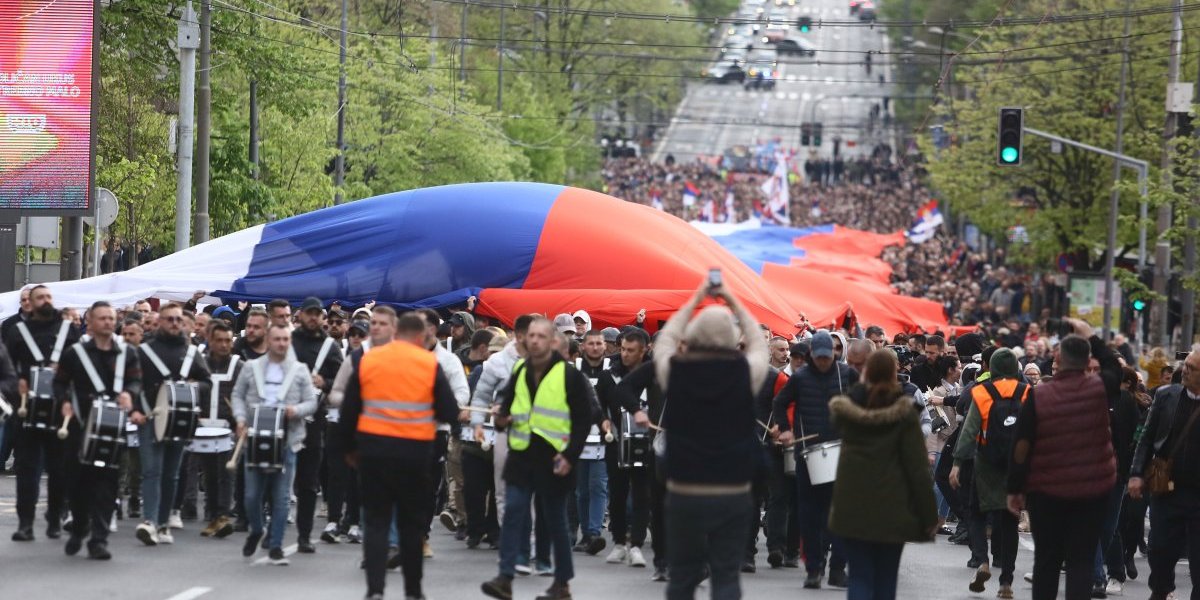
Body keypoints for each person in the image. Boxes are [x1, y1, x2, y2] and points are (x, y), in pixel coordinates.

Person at [653, 279, 767, 600]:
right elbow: (759, 343)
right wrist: (732, 299)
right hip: (733, 491)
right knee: (726, 577)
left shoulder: (676, 371)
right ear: (733, 339)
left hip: (684, 491)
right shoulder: (745, 373)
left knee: (682, 577)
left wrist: (695, 299)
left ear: (693, 336)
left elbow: (665, 340)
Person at [339, 312, 459, 600]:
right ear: (420, 337)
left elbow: (349, 410)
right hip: (414, 455)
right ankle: (413, 590)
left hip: (373, 453)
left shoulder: (370, 360)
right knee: (411, 525)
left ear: (396, 333)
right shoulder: (428, 363)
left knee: (376, 522)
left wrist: (348, 449)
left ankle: (375, 589)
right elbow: (449, 411)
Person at [481, 317, 594, 600]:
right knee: (513, 511)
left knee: (555, 520)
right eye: (530, 336)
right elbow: (506, 405)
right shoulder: (520, 369)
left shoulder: (569, 375)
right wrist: (500, 418)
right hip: (521, 454)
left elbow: (584, 419)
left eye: (540, 336)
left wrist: (570, 456)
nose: (533, 341)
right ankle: (505, 577)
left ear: (553, 341)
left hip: (554, 456)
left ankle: (562, 583)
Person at [1006, 332, 1117, 600]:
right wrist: (1093, 337)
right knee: (1082, 559)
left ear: (1058, 358)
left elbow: (1022, 445)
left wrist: (1015, 488)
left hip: (1047, 491)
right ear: (1087, 361)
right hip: (1093, 490)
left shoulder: (1039, 395)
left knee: (1047, 560)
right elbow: (1114, 368)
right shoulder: (1099, 390)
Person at [829, 349, 938, 600]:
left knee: (859, 576)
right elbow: (917, 468)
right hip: (893, 505)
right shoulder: (906, 413)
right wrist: (928, 514)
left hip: (852, 503)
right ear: (893, 373)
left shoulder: (847, 410)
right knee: (886, 579)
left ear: (866, 372)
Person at [54, 301, 142, 560]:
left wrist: (129, 393)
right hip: (80, 426)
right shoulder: (74, 353)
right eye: (102, 318)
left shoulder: (127, 353)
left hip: (112, 428)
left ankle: (99, 540)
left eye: (111, 318)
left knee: (107, 485)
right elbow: (59, 383)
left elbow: (136, 380)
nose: (107, 322)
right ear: (90, 323)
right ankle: (80, 527)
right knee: (77, 483)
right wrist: (65, 401)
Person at [774, 329, 859, 589]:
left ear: (834, 354)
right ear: (812, 354)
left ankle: (837, 570)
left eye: (827, 357)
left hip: (841, 453)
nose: (823, 362)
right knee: (810, 515)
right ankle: (813, 569)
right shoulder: (800, 378)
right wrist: (785, 430)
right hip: (807, 454)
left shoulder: (847, 374)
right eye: (819, 357)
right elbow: (779, 403)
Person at [232, 323, 317, 565]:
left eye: (285, 339)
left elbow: (312, 402)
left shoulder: (299, 370)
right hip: (255, 437)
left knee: (281, 497)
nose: (281, 343)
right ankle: (257, 529)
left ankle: (276, 545)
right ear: (268, 341)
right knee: (251, 496)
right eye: (277, 339)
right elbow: (237, 395)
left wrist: (295, 410)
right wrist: (240, 419)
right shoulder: (251, 367)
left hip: (287, 440)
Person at [131, 302, 212, 546]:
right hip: (150, 418)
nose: (175, 323)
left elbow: (207, 382)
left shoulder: (191, 353)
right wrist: (136, 410)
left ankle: (163, 522)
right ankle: (150, 521)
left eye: (178, 319)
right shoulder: (144, 351)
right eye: (169, 319)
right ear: (159, 322)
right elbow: (132, 383)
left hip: (179, 420)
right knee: (151, 471)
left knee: (170, 474)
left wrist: (193, 387)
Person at [950, 348, 1027, 599]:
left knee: (976, 513)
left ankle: (982, 561)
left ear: (991, 368)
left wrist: (957, 463)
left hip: (986, 464)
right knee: (1010, 522)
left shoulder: (982, 392)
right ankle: (1006, 582)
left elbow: (969, 430)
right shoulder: (1028, 392)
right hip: (1016, 467)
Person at [6, 284, 78, 541]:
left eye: (48, 296)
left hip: (60, 410)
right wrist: (16, 386)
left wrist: (72, 398)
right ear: (30, 303)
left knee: (59, 471)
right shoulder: (17, 332)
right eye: (40, 297)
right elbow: (7, 368)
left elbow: (80, 368)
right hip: (27, 410)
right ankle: (25, 523)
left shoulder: (68, 331)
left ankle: (55, 517)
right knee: (27, 470)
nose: (45, 300)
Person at [1128, 350, 1200, 600]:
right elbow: (1147, 438)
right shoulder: (1166, 395)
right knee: (1159, 550)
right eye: (1186, 365)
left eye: (1192, 368)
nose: (1185, 371)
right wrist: (1136, 473)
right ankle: (1161, 589)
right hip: (1167, 489)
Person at [291, 296, 344, 554]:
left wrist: (326, 383)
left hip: (314, 420)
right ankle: (271, 530)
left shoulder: (330, 347)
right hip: (285, 416)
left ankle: (304, 535)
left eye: (317, 313)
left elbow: (342, 381)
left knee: (308, 481)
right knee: (277, 476)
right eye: (309, 313)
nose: (313, 318)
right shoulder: (287, 341)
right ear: (301, 315)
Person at [197, 320, 241, 539]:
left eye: (227, 341)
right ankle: (213, 514)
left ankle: (223, 514)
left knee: (226, 474)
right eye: (219, 340)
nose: (224, 345)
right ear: (210, 341)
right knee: (209, 474)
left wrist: (240, 419)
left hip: (228, 428)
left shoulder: (239, 366)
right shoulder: (200, 364)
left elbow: (246, 394)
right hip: (203, 428)